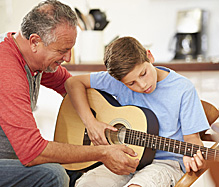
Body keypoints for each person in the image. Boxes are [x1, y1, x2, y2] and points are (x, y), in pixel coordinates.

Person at [0, 1, 139, 186]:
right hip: (12, 158)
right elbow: (33, 151)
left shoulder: (31, 57)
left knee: (75, 170)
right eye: (62, 50)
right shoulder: (7, 68)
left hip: (12, 156)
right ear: (35, 42)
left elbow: (71, 85)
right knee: (53, 174)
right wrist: (103, 153)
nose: (68, 58)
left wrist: (95, 121)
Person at [64, 36, 210, 187]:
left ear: (149, 56)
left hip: (166, 163)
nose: (142, 85)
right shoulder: (117, 81)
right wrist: (91, 124)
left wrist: (193, 156)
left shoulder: (183, 88)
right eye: (131, 83)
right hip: (123, 158)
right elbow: (72, 83)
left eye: (143, 73)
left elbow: (192, 140)